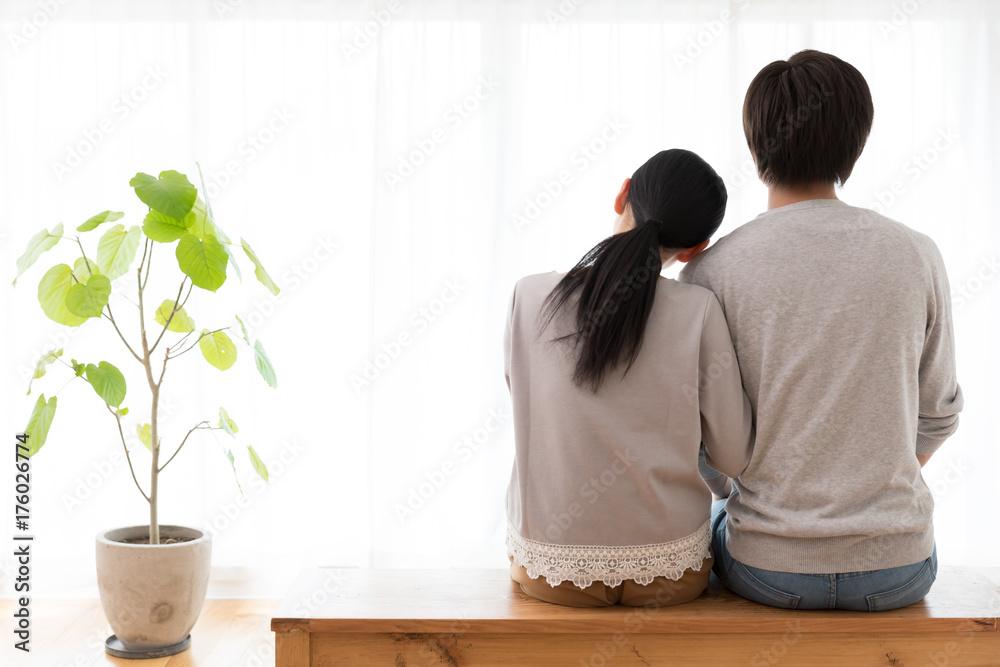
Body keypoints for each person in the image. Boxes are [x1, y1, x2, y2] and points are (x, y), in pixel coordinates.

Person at [680, 49, 964, 611]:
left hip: (767, 570)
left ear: (757, 144)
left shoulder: (710, 271)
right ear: (855, 145)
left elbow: (699, 439)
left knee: (716, 515)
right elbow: (939, 415)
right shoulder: (917, 254)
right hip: (898, 570)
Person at [503, 148, 754, 607]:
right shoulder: (699, 310)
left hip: (549, 570)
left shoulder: (529, 295)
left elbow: (531, 409)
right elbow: (733, 459)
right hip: (670, 575)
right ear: (695, 248)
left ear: (623, 194)